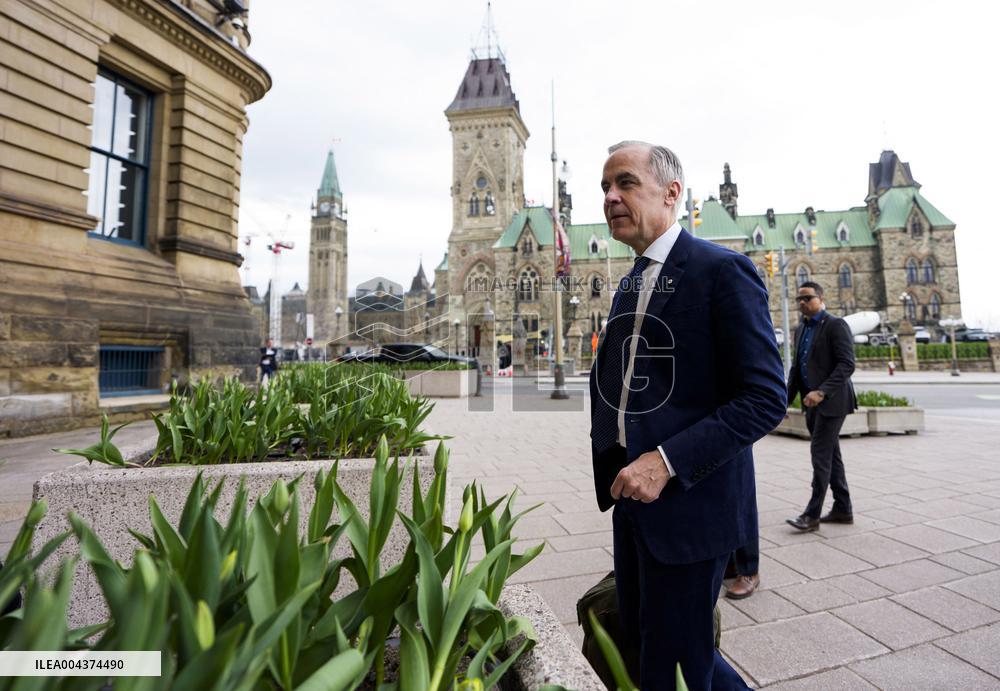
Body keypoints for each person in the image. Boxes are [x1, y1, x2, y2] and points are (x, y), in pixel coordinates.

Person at [589, 141, 786, 689]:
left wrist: (664, 461)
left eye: (626, 183)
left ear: (671, 192)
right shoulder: (632, 280)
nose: (610, 197)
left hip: (689, 504)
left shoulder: (722, 271)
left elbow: (764, 398)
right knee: (655, 646)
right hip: (632, 499)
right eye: (605, 187)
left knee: (675, 663)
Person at [785, 282, 857, 531]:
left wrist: (822, 391)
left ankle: (811, 515)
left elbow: (847, 364)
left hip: (832, 402)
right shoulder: (801, 329)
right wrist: (785, 401)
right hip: (811, 404)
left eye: (807, 298)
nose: (802, 303)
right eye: (799, 299)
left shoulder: (836, 325)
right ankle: (843, 509)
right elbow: (796, 369)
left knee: (820, 456)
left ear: (821, 298)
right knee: (831, 456)